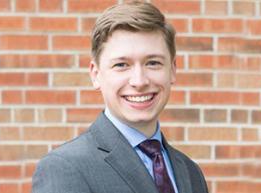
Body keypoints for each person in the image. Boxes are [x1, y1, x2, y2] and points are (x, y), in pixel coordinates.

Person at [32, 1, 208, 193]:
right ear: (95, 74)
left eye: (153, 63)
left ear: (172, 70)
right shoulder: (64, 168)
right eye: (122, 65)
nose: (139, 81)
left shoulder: (191, 172)